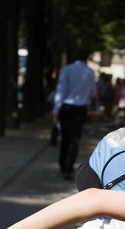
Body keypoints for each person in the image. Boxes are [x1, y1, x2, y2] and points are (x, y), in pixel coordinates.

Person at [53, 48, 96, 180]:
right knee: (75, 139)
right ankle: (68, 168)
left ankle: (62, 166)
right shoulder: (89, 72)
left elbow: (61, 90)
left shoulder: (67, 69)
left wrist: (55, 110)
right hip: (80, 109)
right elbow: (93, 92)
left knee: (65, 138)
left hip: (66, 107)